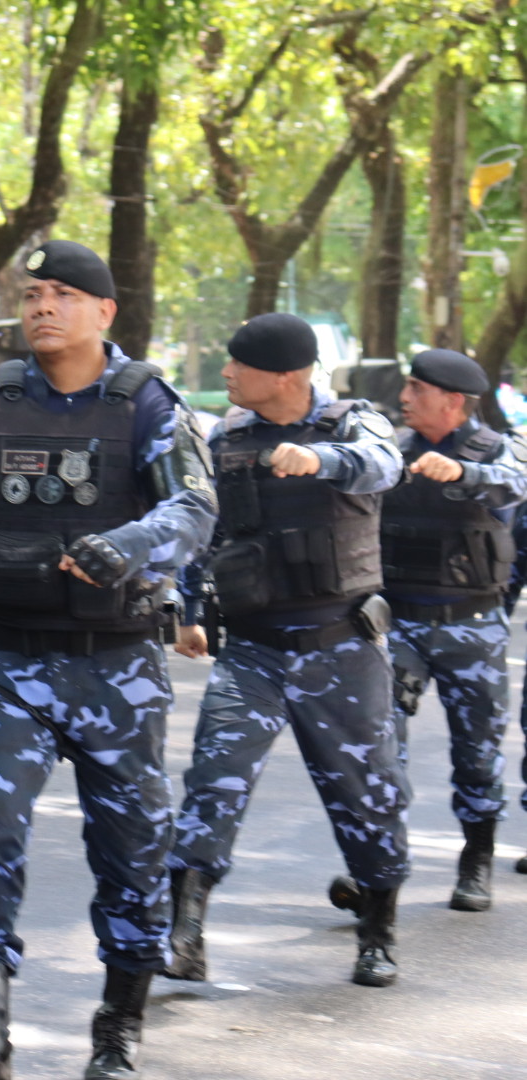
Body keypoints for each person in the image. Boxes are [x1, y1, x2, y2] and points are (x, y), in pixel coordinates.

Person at [0, 241, 216, 1080]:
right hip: (8, 664)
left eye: (62, 294)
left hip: (118, 669)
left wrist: (128, 544)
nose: (42, 308)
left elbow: (196, 507)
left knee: (131, 854)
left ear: (105, 313)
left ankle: (118, 1032)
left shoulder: (147, 406)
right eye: (32, 295)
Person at [165, 312, 411, 993]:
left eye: (238, 364)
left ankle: (378, 933)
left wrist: (322, 459)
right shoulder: (228, 438)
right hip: (253, 651)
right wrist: (185, 611)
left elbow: (382, 467)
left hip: (342, 646)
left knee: (368, 797)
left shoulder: (354, 423)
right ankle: (184, 934)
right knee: (213, 782)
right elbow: (199, 526)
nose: (226, 373)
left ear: (286, 376)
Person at [361, 349, 527, 913]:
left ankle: (476, 859)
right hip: (399, 627)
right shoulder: (394, 453)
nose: (404, 397)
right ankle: (378, 868)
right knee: (381, 752)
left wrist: (465, 472)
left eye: (416, 389)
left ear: (453, 401)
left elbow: (516, 484)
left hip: (472, 627)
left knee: (477, 755)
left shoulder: (497, 451)